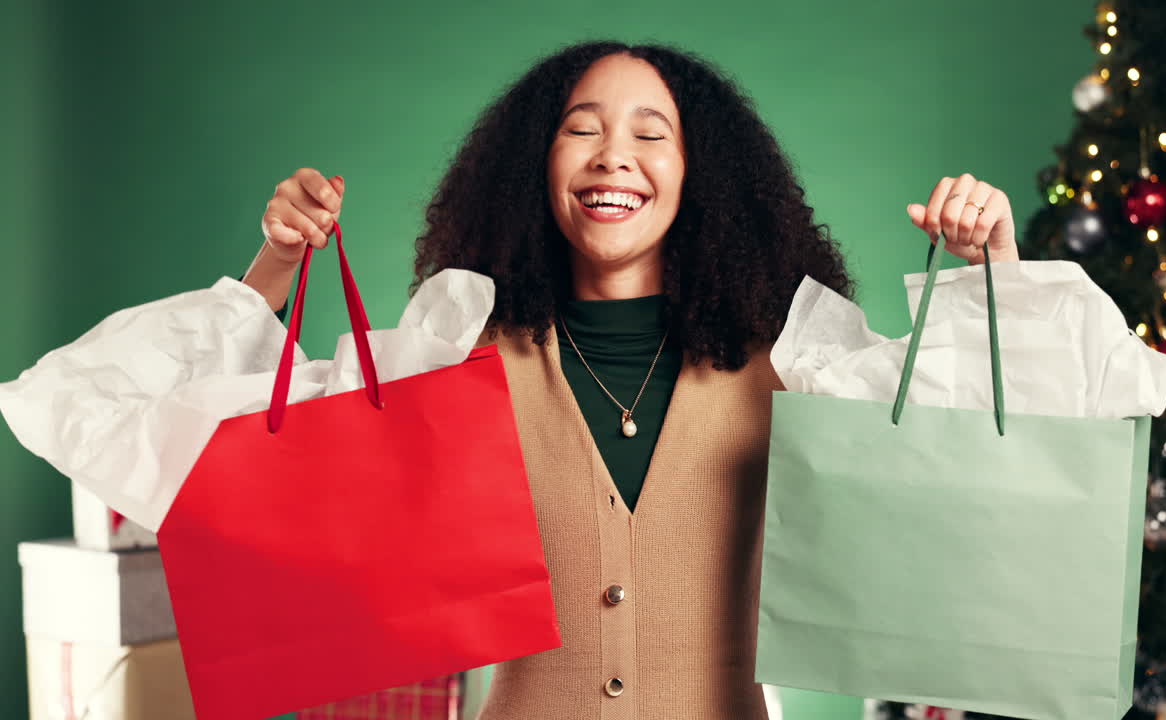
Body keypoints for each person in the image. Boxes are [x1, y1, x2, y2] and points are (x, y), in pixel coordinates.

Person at [241, 40, 1019, 720]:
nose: (613, 154)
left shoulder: (792, 363)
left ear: (699, 175)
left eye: (651, 135)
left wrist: (993, 266)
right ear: (534, 169)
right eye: (581, 130)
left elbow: (971, 456)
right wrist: (279, 260)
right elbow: (269, 458)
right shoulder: (460, 355)